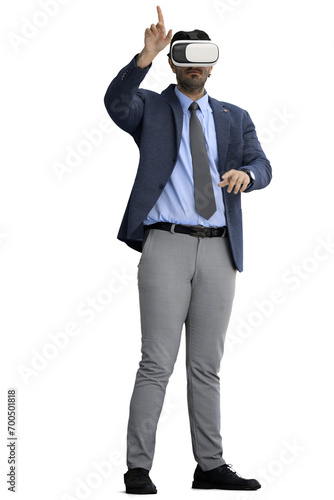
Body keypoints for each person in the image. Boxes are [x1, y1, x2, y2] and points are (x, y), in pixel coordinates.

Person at [104, 5, 272, 494]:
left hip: (221, 251)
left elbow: (263, 162)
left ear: (213, 64)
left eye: (204, 58)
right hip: (166, 245)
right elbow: (116, 104)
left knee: (207, 366)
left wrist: (249, 175)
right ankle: (138, 468)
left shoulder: (234, 117)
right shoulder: (151, 109)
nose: (196, 66)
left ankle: (210, 466)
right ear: (176, 63)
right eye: (186, 57)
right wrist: (144, 57)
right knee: (156, 361)